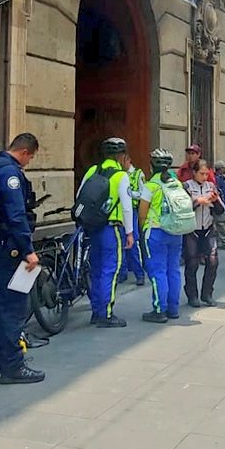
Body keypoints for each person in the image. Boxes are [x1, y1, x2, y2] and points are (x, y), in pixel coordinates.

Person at [0, 132, 44, 384]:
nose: (29, 162)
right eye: (31, 157)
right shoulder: (10, 173)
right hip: (11, 248)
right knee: (13, 306)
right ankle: (13, 366)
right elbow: (16, 215)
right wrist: (28, 250)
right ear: (25, 152)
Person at [79, 137, 134, 328]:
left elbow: (80, 196)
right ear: (122, 156)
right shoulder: (121, 176)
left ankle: (96, 311)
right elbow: (127, 208)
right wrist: (130, 232)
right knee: (110, 270)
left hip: (94, 228)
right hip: (112, 229)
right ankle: (106, 314)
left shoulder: (93, 170)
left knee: (96, 269)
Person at [138, 148, 183, 323]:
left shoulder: (151, 186)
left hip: (156, 232)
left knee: (158, 271)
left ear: (152, 166)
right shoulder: (176, 183)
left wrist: (142, 230)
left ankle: (159, 310)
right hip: (175, 232)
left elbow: (142, 213)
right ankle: (173, 308)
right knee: (173, 270)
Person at [183, 160, 222, 307]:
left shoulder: (211, 186)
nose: (204, 177)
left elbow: (220, 210)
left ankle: (207, 293)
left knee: (213, 261)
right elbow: (183, 208)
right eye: (201, 173)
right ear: (194, 172)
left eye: (207, 174)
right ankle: (192, 295)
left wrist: (215, 200)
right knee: (192, 263)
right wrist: (198, 201)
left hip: (208, 228)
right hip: (192, 230)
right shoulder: (186, 186)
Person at [118, 153, 146, 287]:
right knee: (121, 241)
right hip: (120, 211)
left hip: (133, 210)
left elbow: (143, 193)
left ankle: (139, 274)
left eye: (122, 160)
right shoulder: (118, 174)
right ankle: (122, 273)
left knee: (132, 242)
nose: (120, 163)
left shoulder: (138, 174)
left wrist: (130, 194)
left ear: (128, 160)